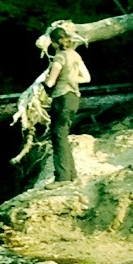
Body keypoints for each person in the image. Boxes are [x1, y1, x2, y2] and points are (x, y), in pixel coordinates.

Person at [43, 27, 91, 183]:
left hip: (61, 99)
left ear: (55, 42)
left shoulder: (59, 58)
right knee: (63, 136)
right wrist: (71, 80)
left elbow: (50, 82)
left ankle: (62, 178)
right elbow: (87, 78)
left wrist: (46, 82)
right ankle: (72, 175)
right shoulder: (75, 55)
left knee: (58, 138)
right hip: (74, 99)